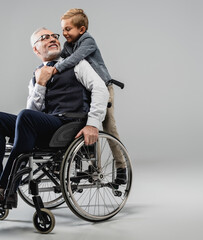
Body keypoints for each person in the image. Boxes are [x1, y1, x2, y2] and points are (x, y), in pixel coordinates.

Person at [0, 27, 109, 205]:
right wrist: (41, 83)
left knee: (26, 116)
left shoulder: (77, 64)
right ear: (36, 49)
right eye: (44, 37)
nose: (52, 39)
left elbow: (101, 90)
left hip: (70, 123)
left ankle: (6, 190)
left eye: (54, 36)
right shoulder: (35, 77)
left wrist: (93, 124)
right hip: (48, 124)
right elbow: (32, 112)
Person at [54, 8, 126, 179]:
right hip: (85, 90)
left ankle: (121, 167)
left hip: (103, 88)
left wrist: (55, 70)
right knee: (87, 127)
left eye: (68, 29)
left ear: (81, 29)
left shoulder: (88, 41)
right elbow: (59, 57)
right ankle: (94, 167)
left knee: (108, 127)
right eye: (62, 29)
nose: (64, 33)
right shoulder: (67, 45)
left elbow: (74, 59)